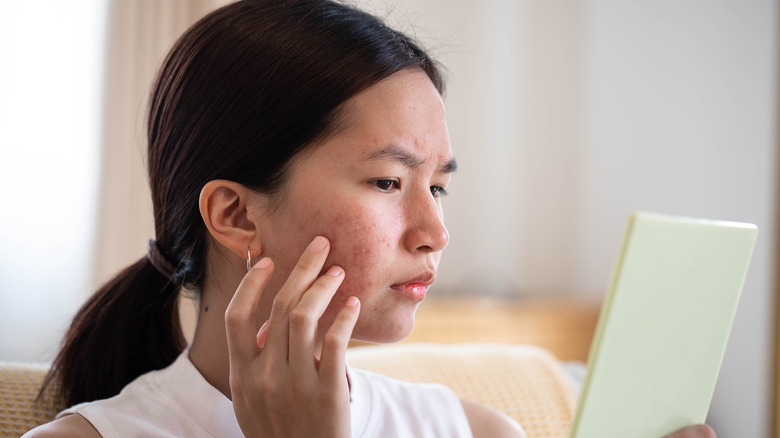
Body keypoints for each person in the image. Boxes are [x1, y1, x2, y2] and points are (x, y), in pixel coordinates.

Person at [26, 1, 717, 437]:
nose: (435, 233)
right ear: (235, 214)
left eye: (438, 187)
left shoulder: (475, 431)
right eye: (389, 181)